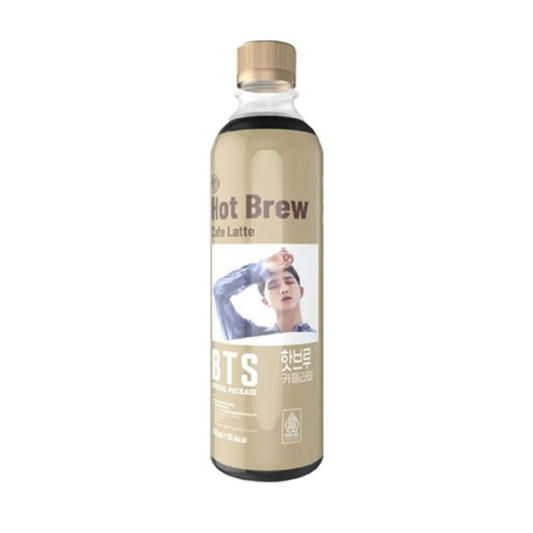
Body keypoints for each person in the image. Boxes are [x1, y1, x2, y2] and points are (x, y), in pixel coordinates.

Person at [213, 247, 316, 340]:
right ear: (265, 301)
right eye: (274, 286)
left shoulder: (315, 338)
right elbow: (220, 291)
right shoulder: (248, 335)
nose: (284, 289)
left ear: (301, 291)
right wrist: (262, 268)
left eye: (289, 282)